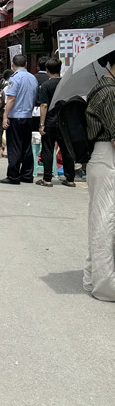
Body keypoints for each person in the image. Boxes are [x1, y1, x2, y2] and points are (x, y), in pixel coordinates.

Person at [84, 49, 115, 302]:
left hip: (100, 158)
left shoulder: (101, 87)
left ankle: (92, 277)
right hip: (107, 158)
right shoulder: (111, 92)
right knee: (107, 221)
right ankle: (106, 286)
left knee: (100, 220)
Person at [36, 57, 75, 188]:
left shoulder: (46, 85)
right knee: (66, 150)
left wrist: (42, 124)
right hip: (65, 122)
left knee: (48, 149)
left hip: (50, 122)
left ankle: (47, 179)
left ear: (47, 70)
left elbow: (44, 105)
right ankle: (70, 179)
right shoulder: (67, 84)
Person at [0, 54, 38, 185]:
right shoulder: (33, 78)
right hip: (28, 116)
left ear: (12, 65)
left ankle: (13, 176)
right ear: (26, 64)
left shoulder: (14, 79)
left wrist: (5, 116)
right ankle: (27, 174)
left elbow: (11, 98)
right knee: (26, 146)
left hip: (16, 116)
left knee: (14, 146)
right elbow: (33, 98)